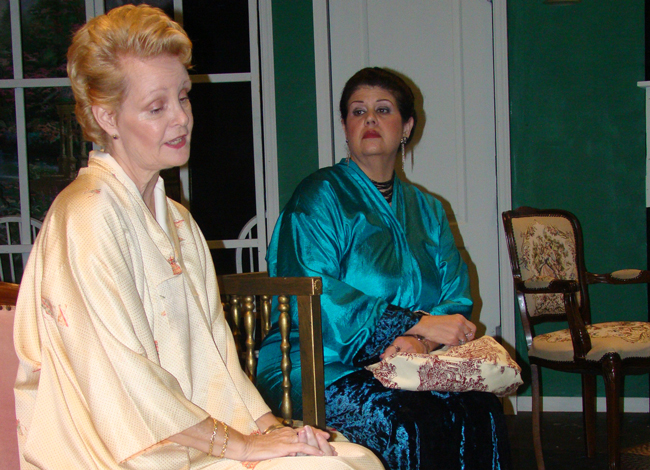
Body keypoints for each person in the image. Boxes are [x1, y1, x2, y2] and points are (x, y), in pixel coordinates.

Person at [12, 6, 383, 470]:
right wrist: (246, 448)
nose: (181, 118)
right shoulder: (86, 216)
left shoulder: (178, 222)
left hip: (189, 446)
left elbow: (218, 361)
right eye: (156, 107)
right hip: (116, 456)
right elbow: (125, 384)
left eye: (183, 97)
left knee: (353, 456)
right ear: (106, 116)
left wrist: (271, 429)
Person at [257, 67, 512, 469]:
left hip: (413, 360)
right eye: (358, 112)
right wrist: (415, 325)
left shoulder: (428, 209)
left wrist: (420, 342)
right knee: (404, 421)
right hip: (317, 361)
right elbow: (314, 291)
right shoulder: (319, 196)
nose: (370, 119)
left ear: (406, 126)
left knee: (479, 408)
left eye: (383, 109)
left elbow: (455, 294)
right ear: (345, 125)